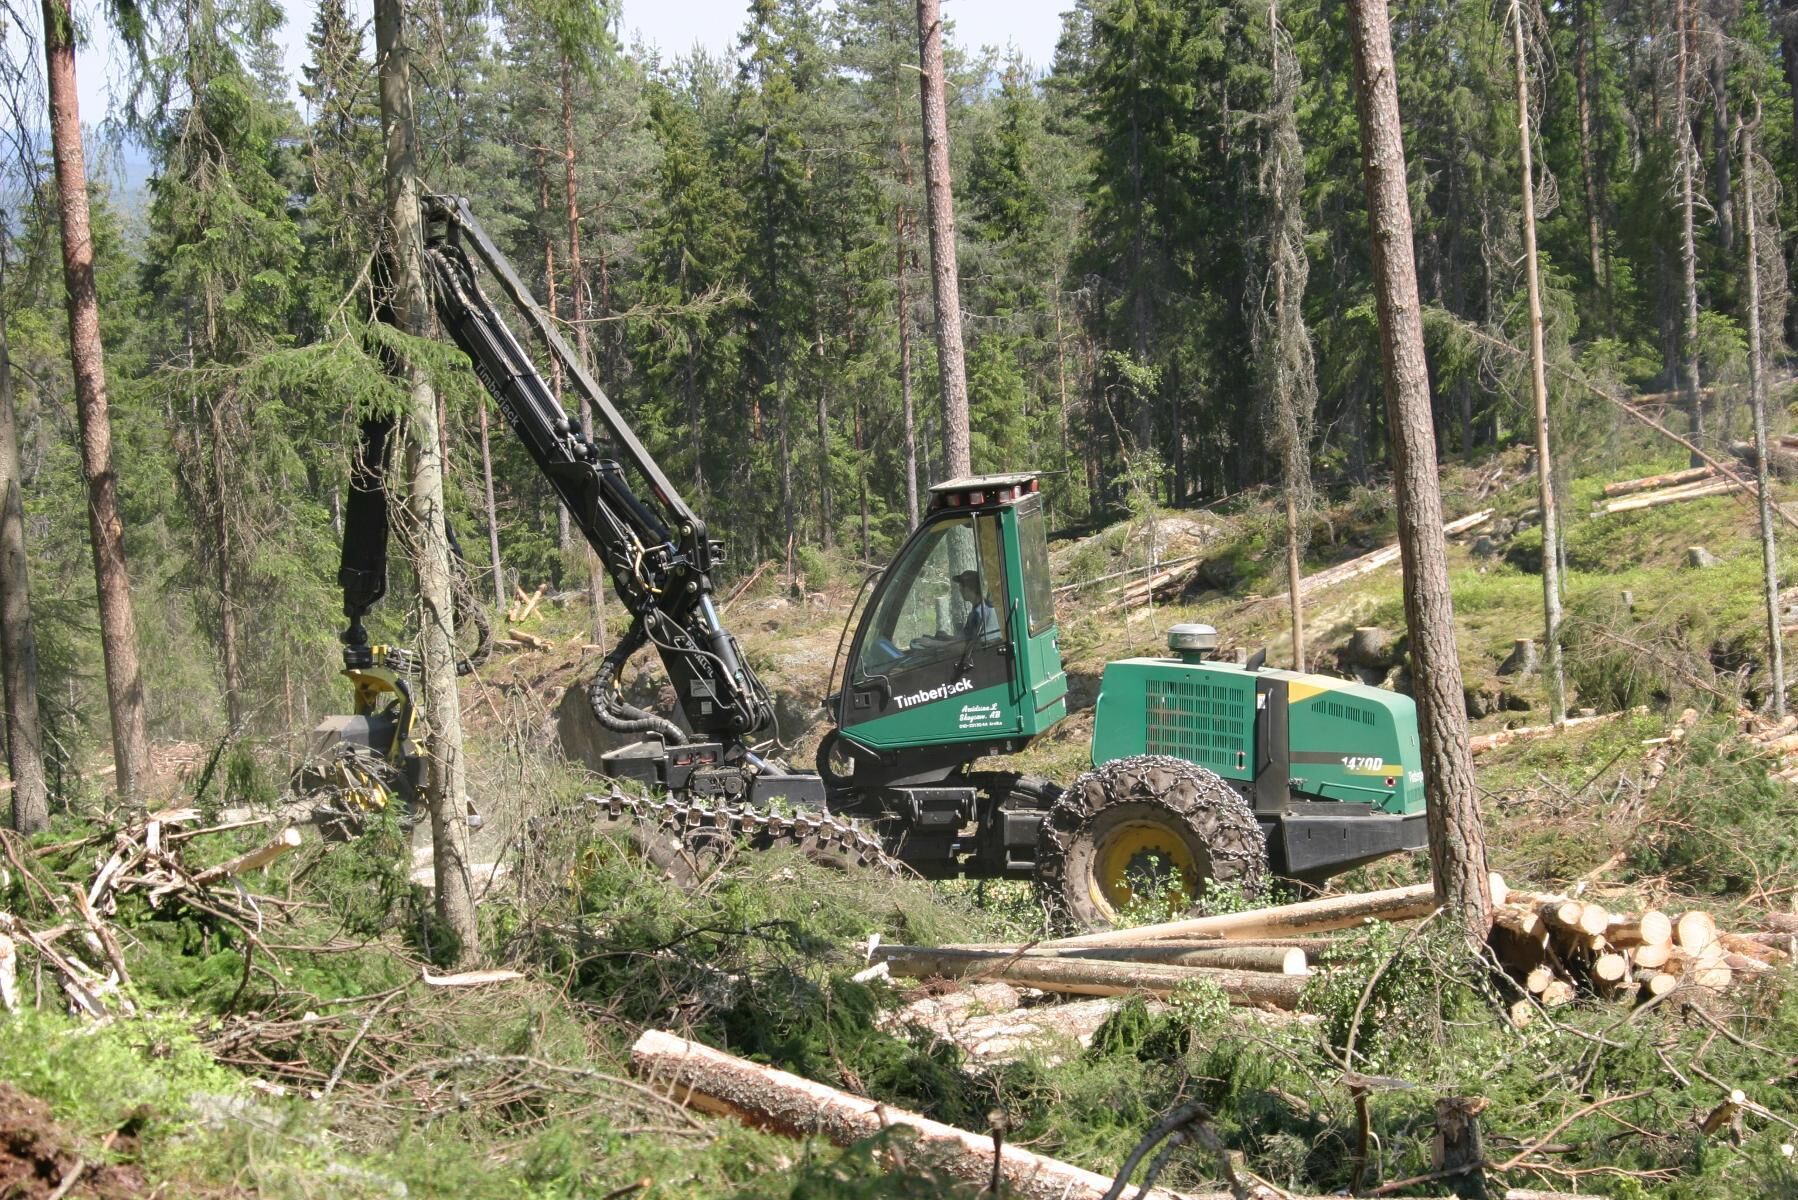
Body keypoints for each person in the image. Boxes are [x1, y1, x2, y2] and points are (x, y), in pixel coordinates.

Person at [955, 570, 999, 642]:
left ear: (968, 588)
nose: (959, 589)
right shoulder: (978, 611)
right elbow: (963, 639)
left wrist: (937, 644)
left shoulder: (981, 613)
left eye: (961, 585)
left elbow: (966, 645)